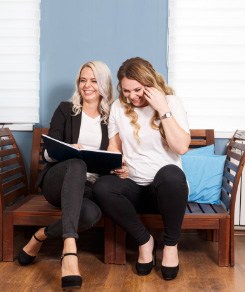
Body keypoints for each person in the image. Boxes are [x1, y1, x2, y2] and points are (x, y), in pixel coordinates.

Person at [18, 61, 114, 289]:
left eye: (93, 80)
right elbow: (49, 152)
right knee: (77, 164)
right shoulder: (65, 109)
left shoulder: (112, 116)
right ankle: (69, 249)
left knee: (91, 214)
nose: (87, 86)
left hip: (88, 188)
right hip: (57, 182)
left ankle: (41, 235)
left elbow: (115, 153)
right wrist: (70, 148)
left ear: (104, 85)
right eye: (83, 80)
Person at [93, 57, 190, 281]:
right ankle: (145, 241)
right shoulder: (119, 107)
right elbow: (114, 146)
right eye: (126, 91)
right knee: (102, 187)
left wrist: (163, 108)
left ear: (150, 83)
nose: (132, 97)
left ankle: (170, 246)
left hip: (165, 192)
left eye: (137, 90)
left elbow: (181, 147)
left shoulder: (171, 102)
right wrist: (117, 164)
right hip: (134, 187)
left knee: (172, 174)